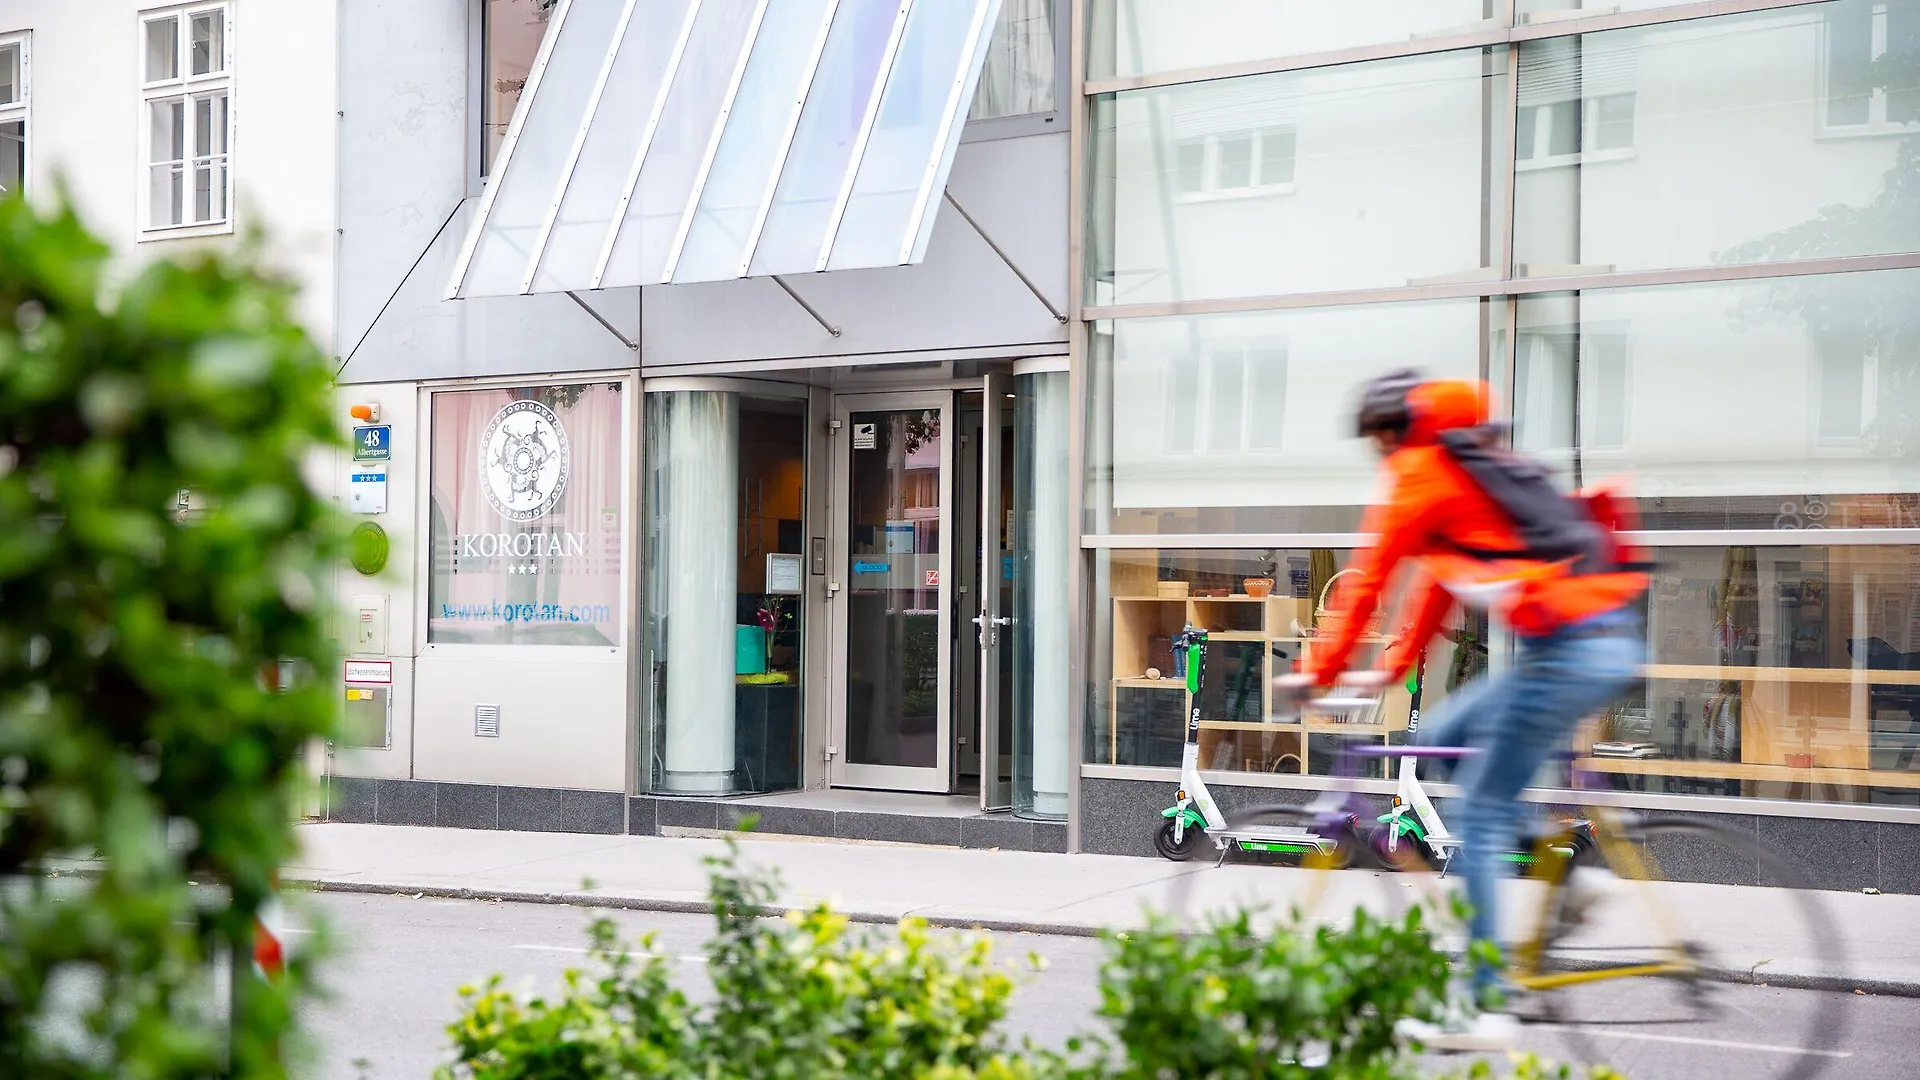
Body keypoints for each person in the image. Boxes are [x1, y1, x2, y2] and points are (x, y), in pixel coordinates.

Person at [1282, 369, 1648, 1050]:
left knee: (1477, 812)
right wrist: (1388, 669)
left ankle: (1484, 1005)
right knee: (1443, 735)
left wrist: (1313, 672)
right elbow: (1437, 588)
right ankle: (1564, 867)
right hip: (1590, 642)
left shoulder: (1420, 473)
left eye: (1376, 439)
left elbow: (1368, 581)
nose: (1376, 454)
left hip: (1568, 651)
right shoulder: (1476, 472)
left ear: (1393, 431)